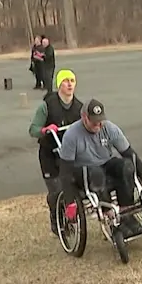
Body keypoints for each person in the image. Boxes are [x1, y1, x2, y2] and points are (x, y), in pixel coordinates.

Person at [57, 98, 142, 238]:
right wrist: (69, 203)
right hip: (84, 171)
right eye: (94, 121)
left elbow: (130, 153)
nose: (98, 124)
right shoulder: (71, 136)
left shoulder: (109, 128)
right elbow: (65, 171)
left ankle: (126, 214)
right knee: (96, 173)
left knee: (126, 165)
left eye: (100, 120)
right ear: (84, 118)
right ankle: (109, 213)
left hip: (105, 163)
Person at [28, 69, 84, 235]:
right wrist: (45, 129)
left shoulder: (79, 108)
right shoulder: (47, 106)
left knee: (77, 186)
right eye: (66, 81)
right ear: (59, 84)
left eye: (72, 81)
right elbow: (33, 129)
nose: (69, 84)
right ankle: (56, 219)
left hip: (69, 154)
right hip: (49, 155)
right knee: (56, 190)